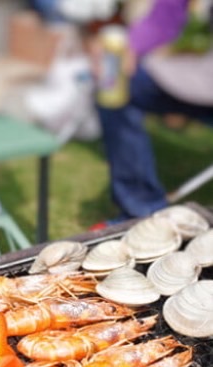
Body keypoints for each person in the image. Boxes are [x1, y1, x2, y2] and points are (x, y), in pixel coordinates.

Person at [92, 0, 213, 223]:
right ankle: (140, 209)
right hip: (204, 74)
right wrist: (132, 46)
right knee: (118, 83)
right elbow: (163, 20)